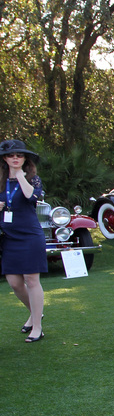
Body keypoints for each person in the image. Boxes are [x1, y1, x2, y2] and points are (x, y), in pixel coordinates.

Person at [0, 139, 47, 342]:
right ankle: (35, 312)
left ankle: (37, 326)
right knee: (14, 282)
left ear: (25, 158)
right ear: (5, 158)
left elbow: (31, 198)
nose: (16, 158)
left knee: (31, 279)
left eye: (19, 155)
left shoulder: (33, 180)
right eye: (11, 155)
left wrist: (20, 177)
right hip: (9, 237)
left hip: (30, 236)